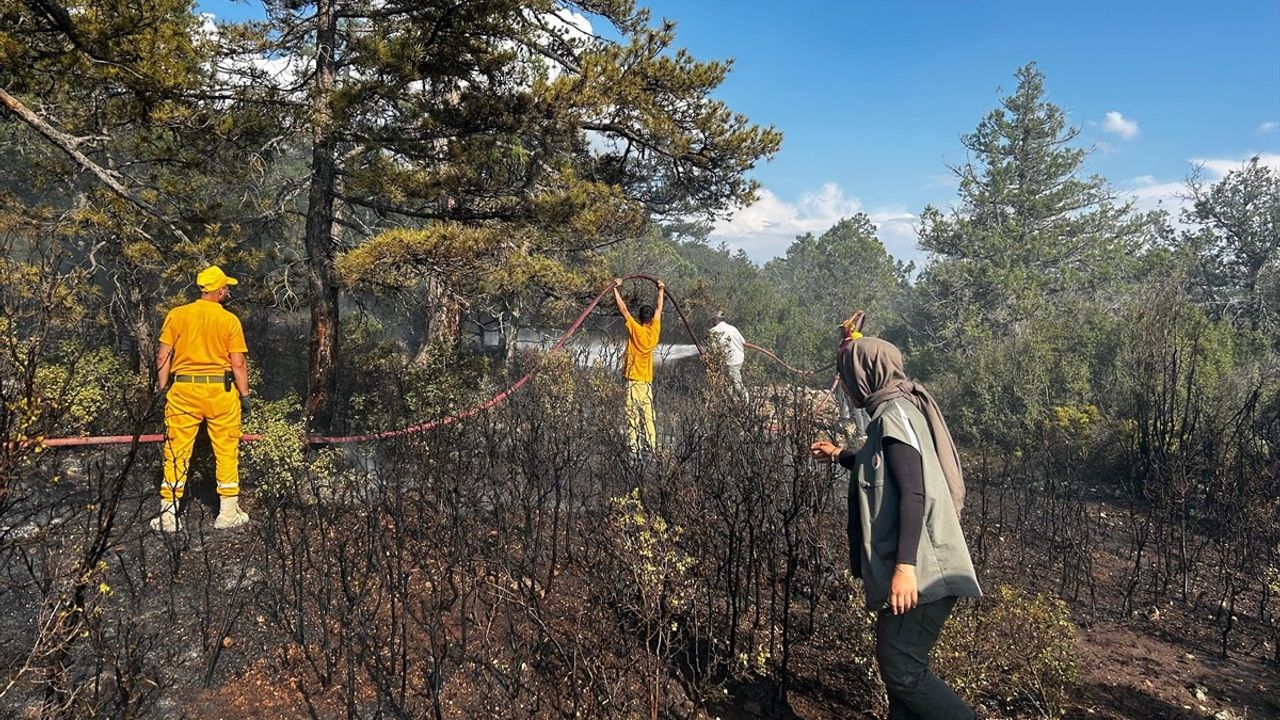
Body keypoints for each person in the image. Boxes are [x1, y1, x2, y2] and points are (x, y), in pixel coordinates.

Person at [810, 335, 979, 720]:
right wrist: (839, 455)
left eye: (847, 375)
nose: (846, 384)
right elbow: (881, 467)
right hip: (918, 571)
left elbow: (913, 493)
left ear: (865, 374)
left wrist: (905, 568)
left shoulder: (894, 414)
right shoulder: (894, 412)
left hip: (923, 573)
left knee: (902, 671)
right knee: (900, 678)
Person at [152, 265, 253, 532]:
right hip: (220, 392)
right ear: (219, 291)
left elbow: (163, 356)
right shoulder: (229, 321)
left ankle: (168, 516)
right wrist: (245, 396)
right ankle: (227, 513)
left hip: (183, 391)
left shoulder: (177, 315)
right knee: (226, 449)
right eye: (227, 287)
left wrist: (162, 390)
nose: (228, 291)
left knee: (177, 450)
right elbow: (238, 363)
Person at [613, 277, 663, 452]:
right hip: (647, 383)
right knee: (648, 416)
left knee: (632, 416)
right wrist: (661, 290)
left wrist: (615, 289)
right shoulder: (654, 331)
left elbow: (624, 310)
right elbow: (659, 308)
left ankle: (633, 448)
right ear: (650, 319)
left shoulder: (637, 330)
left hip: (634, 381)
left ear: (640, 318)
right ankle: (652, 445)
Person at [707, 310, 749, 401]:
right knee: (728, 385)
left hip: (730, 361)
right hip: (738, 359)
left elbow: (713, 350)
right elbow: (743, 342)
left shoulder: (712, 331)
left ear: (716, 320)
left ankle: (746, 402)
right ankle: (735, 403)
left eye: (713, 320)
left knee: (736, 384)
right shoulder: (733, 328)